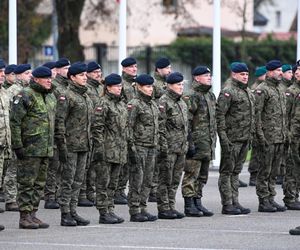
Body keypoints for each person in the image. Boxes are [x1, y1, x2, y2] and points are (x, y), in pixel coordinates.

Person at [10, 66, 56, 229]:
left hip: (45, 148)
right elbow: (15, 122)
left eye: (50, 77)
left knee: (39, 184)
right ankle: (24, 216)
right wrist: (17, 145)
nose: (49, 80)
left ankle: (33, 214)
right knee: (26, 183)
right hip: (29, 148)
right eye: (46, 78)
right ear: (36, 79)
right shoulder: (25, 94)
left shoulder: (50, 97)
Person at [55, 62, 93, 226]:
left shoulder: (85, 95)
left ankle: (73, 210)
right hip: (70, 145)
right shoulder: (66, 96)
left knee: (78, 181)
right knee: (67, 181)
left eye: (85, 75)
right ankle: (65, 213)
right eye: (81, 75)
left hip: (84, 145)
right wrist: (62, 146)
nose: (85, 78)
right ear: (72, 77)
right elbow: (59, 122)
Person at [216, 62, 254, 215]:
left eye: (246, 74)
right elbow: (220, 116)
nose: (245, 77)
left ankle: (235, 201)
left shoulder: (247, 91)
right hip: (232, 139)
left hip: (244, 138)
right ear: (234, 74)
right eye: (242, 74)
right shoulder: (228, 91)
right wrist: (224, 138)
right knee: (227, 172)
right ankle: (227, 204)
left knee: (236, 172)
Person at [92, 73, 128, 224]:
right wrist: (99, 149)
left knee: (113, 183)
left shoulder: (120, 104)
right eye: (117, 86)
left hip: (119, 150)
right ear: (108, 87)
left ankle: (110, 210)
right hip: (106, 150)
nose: (120, 88)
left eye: (121, 86)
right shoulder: (103, 103)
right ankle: (103, 212)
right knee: (103, 183)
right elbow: (97, 128)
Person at [181, 66, 216, 217]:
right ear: (196, 78)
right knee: (191, 174)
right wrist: (189, 143)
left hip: (207, 143)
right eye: (205, 75)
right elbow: (186, 121)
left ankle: (198, 202)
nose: (209, 77)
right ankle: (189, 205)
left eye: (210, 75)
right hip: (195, 143)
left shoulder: (210, 95)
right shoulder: (191, 95)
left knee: (202, 176)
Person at [255, 60, 287, 213]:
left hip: (279, 136)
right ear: (269, 72)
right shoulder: (262, 90)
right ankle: (263, 201)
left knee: (274, 172)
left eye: (281, 70)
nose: (280, 73)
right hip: (267, 137)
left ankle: (271, 198)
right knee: (265, 171)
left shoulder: (280, 89)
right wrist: (260, 136)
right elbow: (257, 115)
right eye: (277, 70)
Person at [127, 74, 159, 222]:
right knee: (137, 180)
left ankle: (143, 208)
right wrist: (131, 148)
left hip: (152, 146)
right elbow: (128, 127)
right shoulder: (134, 104)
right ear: (139, 87)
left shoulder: (152, 104)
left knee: (148, 180)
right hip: (139, 146)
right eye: (147, 86)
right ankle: (134, 210)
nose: (150, 89)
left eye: (151, 86)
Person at [156, 72, 188, 219]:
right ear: (169, 86)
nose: (181, 87)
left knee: (175, 179)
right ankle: (163, 208)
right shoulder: (164, 102)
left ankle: (171, 205)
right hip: (168, 148)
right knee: (165, 179)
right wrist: (163, 147)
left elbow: (185, 126)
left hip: (180, 147)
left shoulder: (181, 102)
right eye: (178, 85)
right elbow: (160, 127)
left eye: (182, 84)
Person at [44, 58, 71, 209]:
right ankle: (50, 196)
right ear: (58, 70)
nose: (68, 71)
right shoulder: (54, 86)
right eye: (66, 68)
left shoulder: (67, 86)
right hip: (55, 131)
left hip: (66, 131)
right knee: (53, 166)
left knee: (62, 166)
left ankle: (59, 194)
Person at [78, 61, 103, 207]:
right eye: (95, 72)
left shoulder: (101, 88)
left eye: (99, 72)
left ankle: (90, 193)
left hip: (97, 132)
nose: (98, 74)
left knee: (94, 166)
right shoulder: (86, 89)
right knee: (85, 166)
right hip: (86, 132)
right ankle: (82, 194)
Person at [114, 57, 138, 205]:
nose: (134, 69)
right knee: (122, 161)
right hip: (124, 126)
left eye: (135, 66)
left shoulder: (135, 85)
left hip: (134, 127)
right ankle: (117, 191)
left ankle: (121, 189)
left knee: (129, 162)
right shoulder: (121, 84)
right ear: (124, 69)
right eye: (131, 67)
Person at [149, 57, 172, 203]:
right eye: (167, 68)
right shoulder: (155, 84)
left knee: (162, 161)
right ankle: (153, 190)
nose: (170, 70)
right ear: (159, 70)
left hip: (166, 125)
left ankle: (156, 189)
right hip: (156, 125)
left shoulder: (166, 83)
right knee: (156, 162)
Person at [283, 61, 300, 210]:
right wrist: (288, 135)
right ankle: (290, 197)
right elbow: (285, 115)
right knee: (292, 168)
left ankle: (296, 195)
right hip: (293, 136)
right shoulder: (291, 91)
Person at [248, 66, 267, 186]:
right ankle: (253, 175)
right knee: (256, 153)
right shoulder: (257, 89)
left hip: (264, 125)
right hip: (257, 125)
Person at [276, 64, 293, 186]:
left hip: (288, 125)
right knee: (282, 154)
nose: (291, 75)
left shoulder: (288, 87)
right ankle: (280, 175)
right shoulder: (282, 88)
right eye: (289, 72)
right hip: (281, 126)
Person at [0, 59, 11, 231]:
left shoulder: (4, 92)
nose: (3, 75)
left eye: (3, 71)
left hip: (3, 144)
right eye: (0, 72)